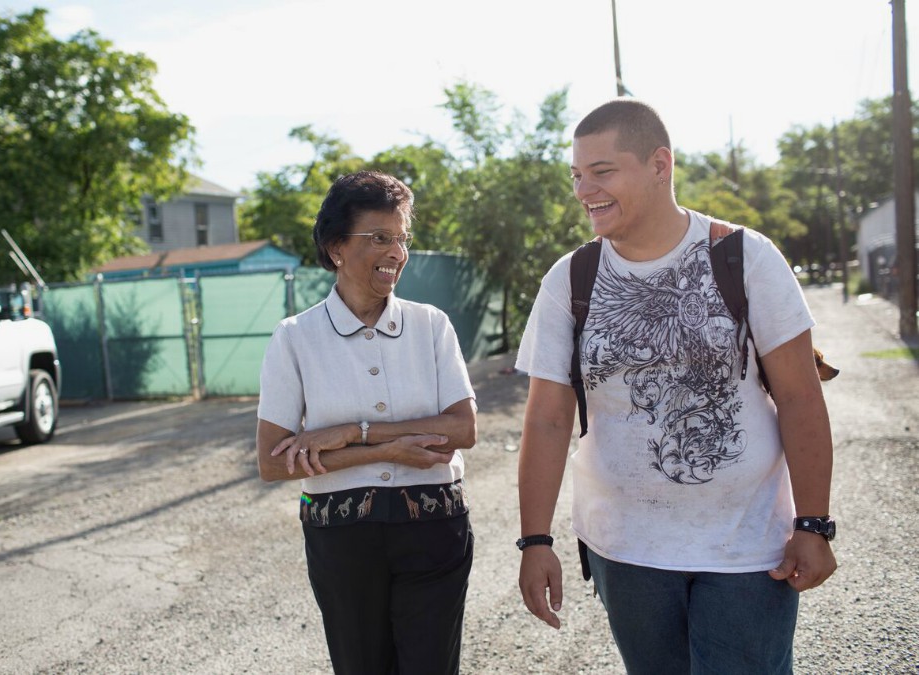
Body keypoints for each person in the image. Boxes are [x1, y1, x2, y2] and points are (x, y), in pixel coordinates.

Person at [515, 99, 837, 674]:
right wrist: (534, 540)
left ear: (660, 164)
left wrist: (813, 524)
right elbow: (546, 419)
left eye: (602, 171)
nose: (584, 189)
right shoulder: (570, 280)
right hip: (627, 551)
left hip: (745, 546)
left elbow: (799, 396)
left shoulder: (745, 258)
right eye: (576, 175)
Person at [256, 170, 477, 675]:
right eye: (380, 238)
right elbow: (273, 463)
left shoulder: (430, 325)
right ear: (336, 247)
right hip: (342, 538)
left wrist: (353, 434)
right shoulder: (295, 338)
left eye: (402, 239)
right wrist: (386, 451)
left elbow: (463, 429)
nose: (397, 252)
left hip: (435, 528)